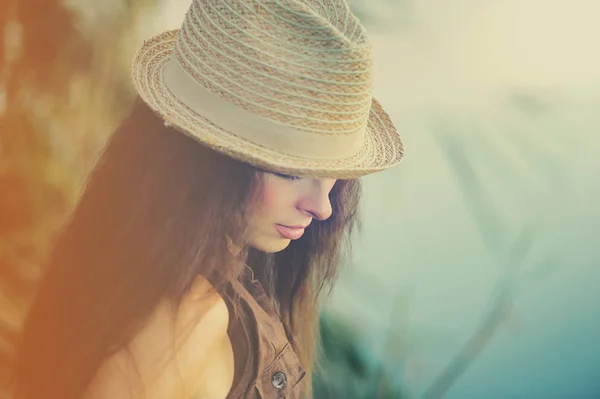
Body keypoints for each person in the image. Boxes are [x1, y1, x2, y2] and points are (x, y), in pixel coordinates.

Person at [12, 0, 404, 398]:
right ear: (210, 161)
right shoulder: (186, 326)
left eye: (333, 173)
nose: (323, 207)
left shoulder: (125, 255)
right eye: (290, 171)